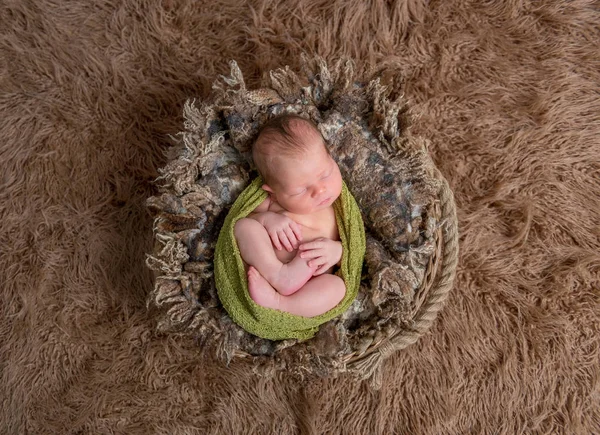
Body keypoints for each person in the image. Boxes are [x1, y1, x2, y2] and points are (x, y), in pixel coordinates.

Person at [234, 114, 346, 317]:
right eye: (299, 191)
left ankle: (281, 304)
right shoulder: (272, 203)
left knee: (337, 287)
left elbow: (356, 248)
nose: (319, 190)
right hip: (267, 271)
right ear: (273, 192)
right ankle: (278, 274)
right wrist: (268, 220)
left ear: (332, 159)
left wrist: (337, 252)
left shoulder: (340, 209)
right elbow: (244, 224)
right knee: (243, 226)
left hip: (312, 281)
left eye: (325, 174)